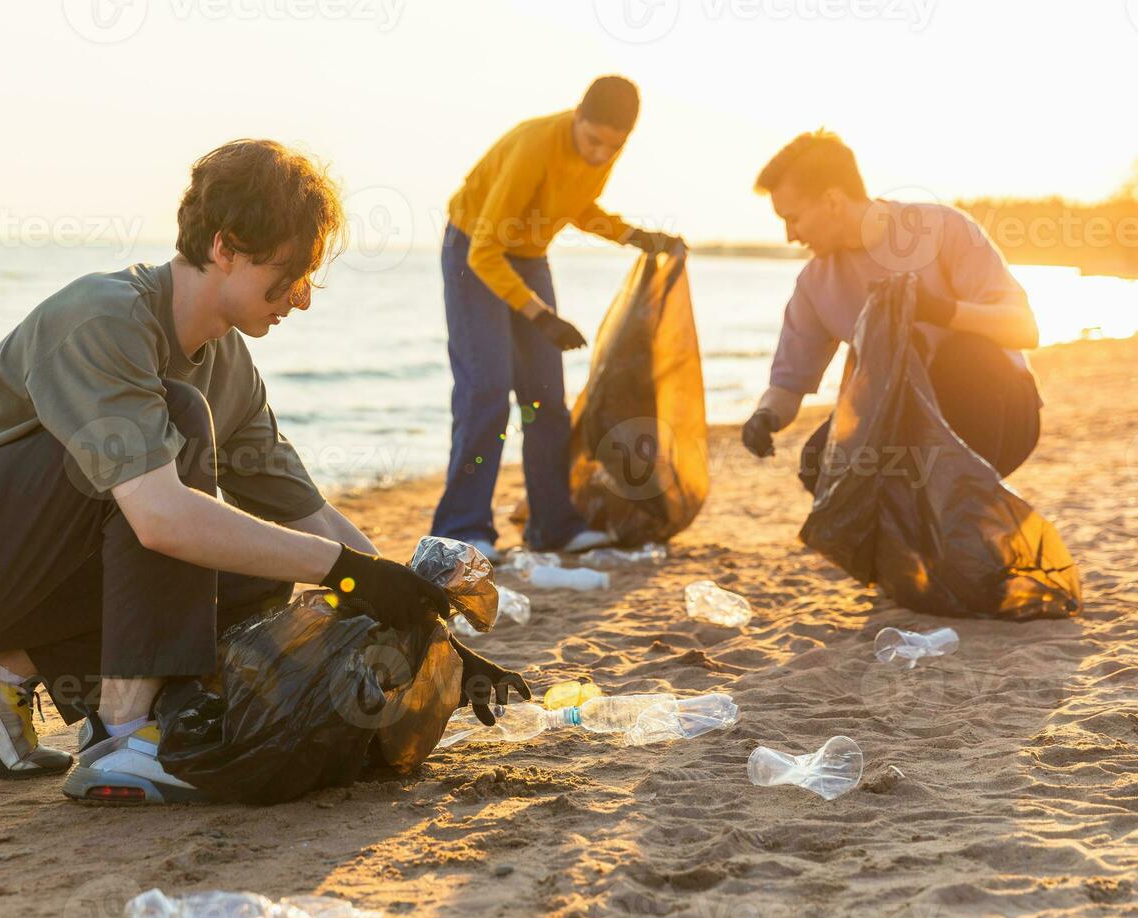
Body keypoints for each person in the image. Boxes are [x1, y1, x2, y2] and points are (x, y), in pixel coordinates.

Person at [0, 140, 519, 805]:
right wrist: (346, 571)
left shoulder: (228, 364)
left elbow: (301, 512)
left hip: (8, 579)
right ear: (225, 247)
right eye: (287, 274)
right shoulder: (102, 319)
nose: (303, 299)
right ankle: (120, 738)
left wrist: (429, 627)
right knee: (177, 435)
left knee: (257, 566)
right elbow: (162, 520)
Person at [432, 75, 688, 562]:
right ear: (577, 115)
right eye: (593, 141)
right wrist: (541, 316)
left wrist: (636, 236)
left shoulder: (599, 152)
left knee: (546, 399)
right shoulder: (535, 146)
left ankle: (553, 525)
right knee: (487, 389)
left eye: (613, 148)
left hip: (529, 256)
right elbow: (486, 252)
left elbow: (577, 207)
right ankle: (463, 527)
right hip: (474, 249)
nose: (599, 156)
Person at [740, 130, 1042, 490]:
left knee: (965, 357)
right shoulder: (814, 284)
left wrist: (940, 311)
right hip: (905, 416)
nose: (790, 235)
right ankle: (908, 530)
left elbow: (1025, 329)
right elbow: (788, 386)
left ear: (833, 202)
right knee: (819, 460)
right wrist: (765, 416)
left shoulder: (944, 229)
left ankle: (970, 505)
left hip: (1003, 411)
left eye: (793, 218)